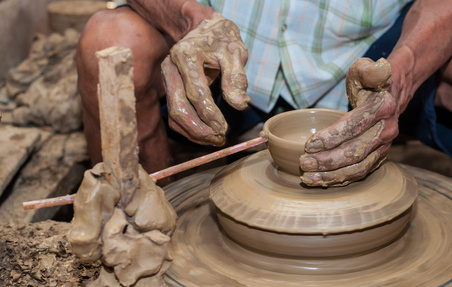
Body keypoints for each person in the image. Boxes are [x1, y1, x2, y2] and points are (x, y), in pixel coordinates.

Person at [76, 0, 452, 186]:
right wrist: (187, 16)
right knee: (111, 43)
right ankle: (146, 235)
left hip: (370, 49)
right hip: (228, 44)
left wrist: (402, 74)